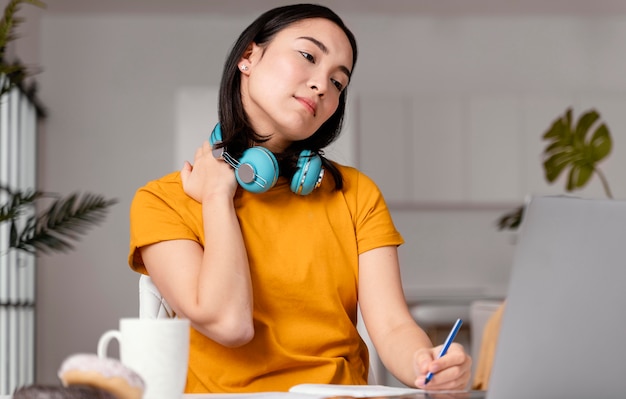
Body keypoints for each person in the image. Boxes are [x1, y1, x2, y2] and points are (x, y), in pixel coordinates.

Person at [128, 3, 471, 393]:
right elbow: (229, 324)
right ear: (248, 57)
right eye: (308, 56)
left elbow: (392, 325)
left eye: (338, 83)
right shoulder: (162, 201)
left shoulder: (355, 194)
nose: (322, 85)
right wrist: (217, 198)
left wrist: (425, 364)